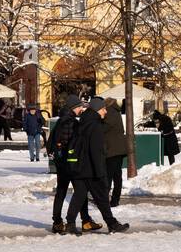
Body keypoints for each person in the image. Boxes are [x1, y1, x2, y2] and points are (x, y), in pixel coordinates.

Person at [63, 97, 129, 235]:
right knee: (102, 198)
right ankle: (112, 224)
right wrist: (100, 171)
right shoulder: (95, 125)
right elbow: (96, 151)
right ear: (98, 109)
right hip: (91, 168)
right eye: (104, 108)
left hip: (81, 166)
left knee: (80, 195)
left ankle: (70, 223)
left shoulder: (85, 121)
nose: (105, 111)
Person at [49, 95, 93, 233]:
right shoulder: (70, 122)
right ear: (74, 107)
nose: (81, 109)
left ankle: (57, 222)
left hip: (61, 163)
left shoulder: (61, 120)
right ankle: (82, 221)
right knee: (80, 191)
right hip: (69, 164)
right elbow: (70, 143)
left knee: (62, 192)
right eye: (80, 107)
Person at [102, 97, 128, 206]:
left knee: (110, 175)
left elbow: (105, 127)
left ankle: (106, 200)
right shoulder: (116, 111)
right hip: (117, 149)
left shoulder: (111, 112)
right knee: (117, 175)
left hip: (113, 150)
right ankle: (114, 200)